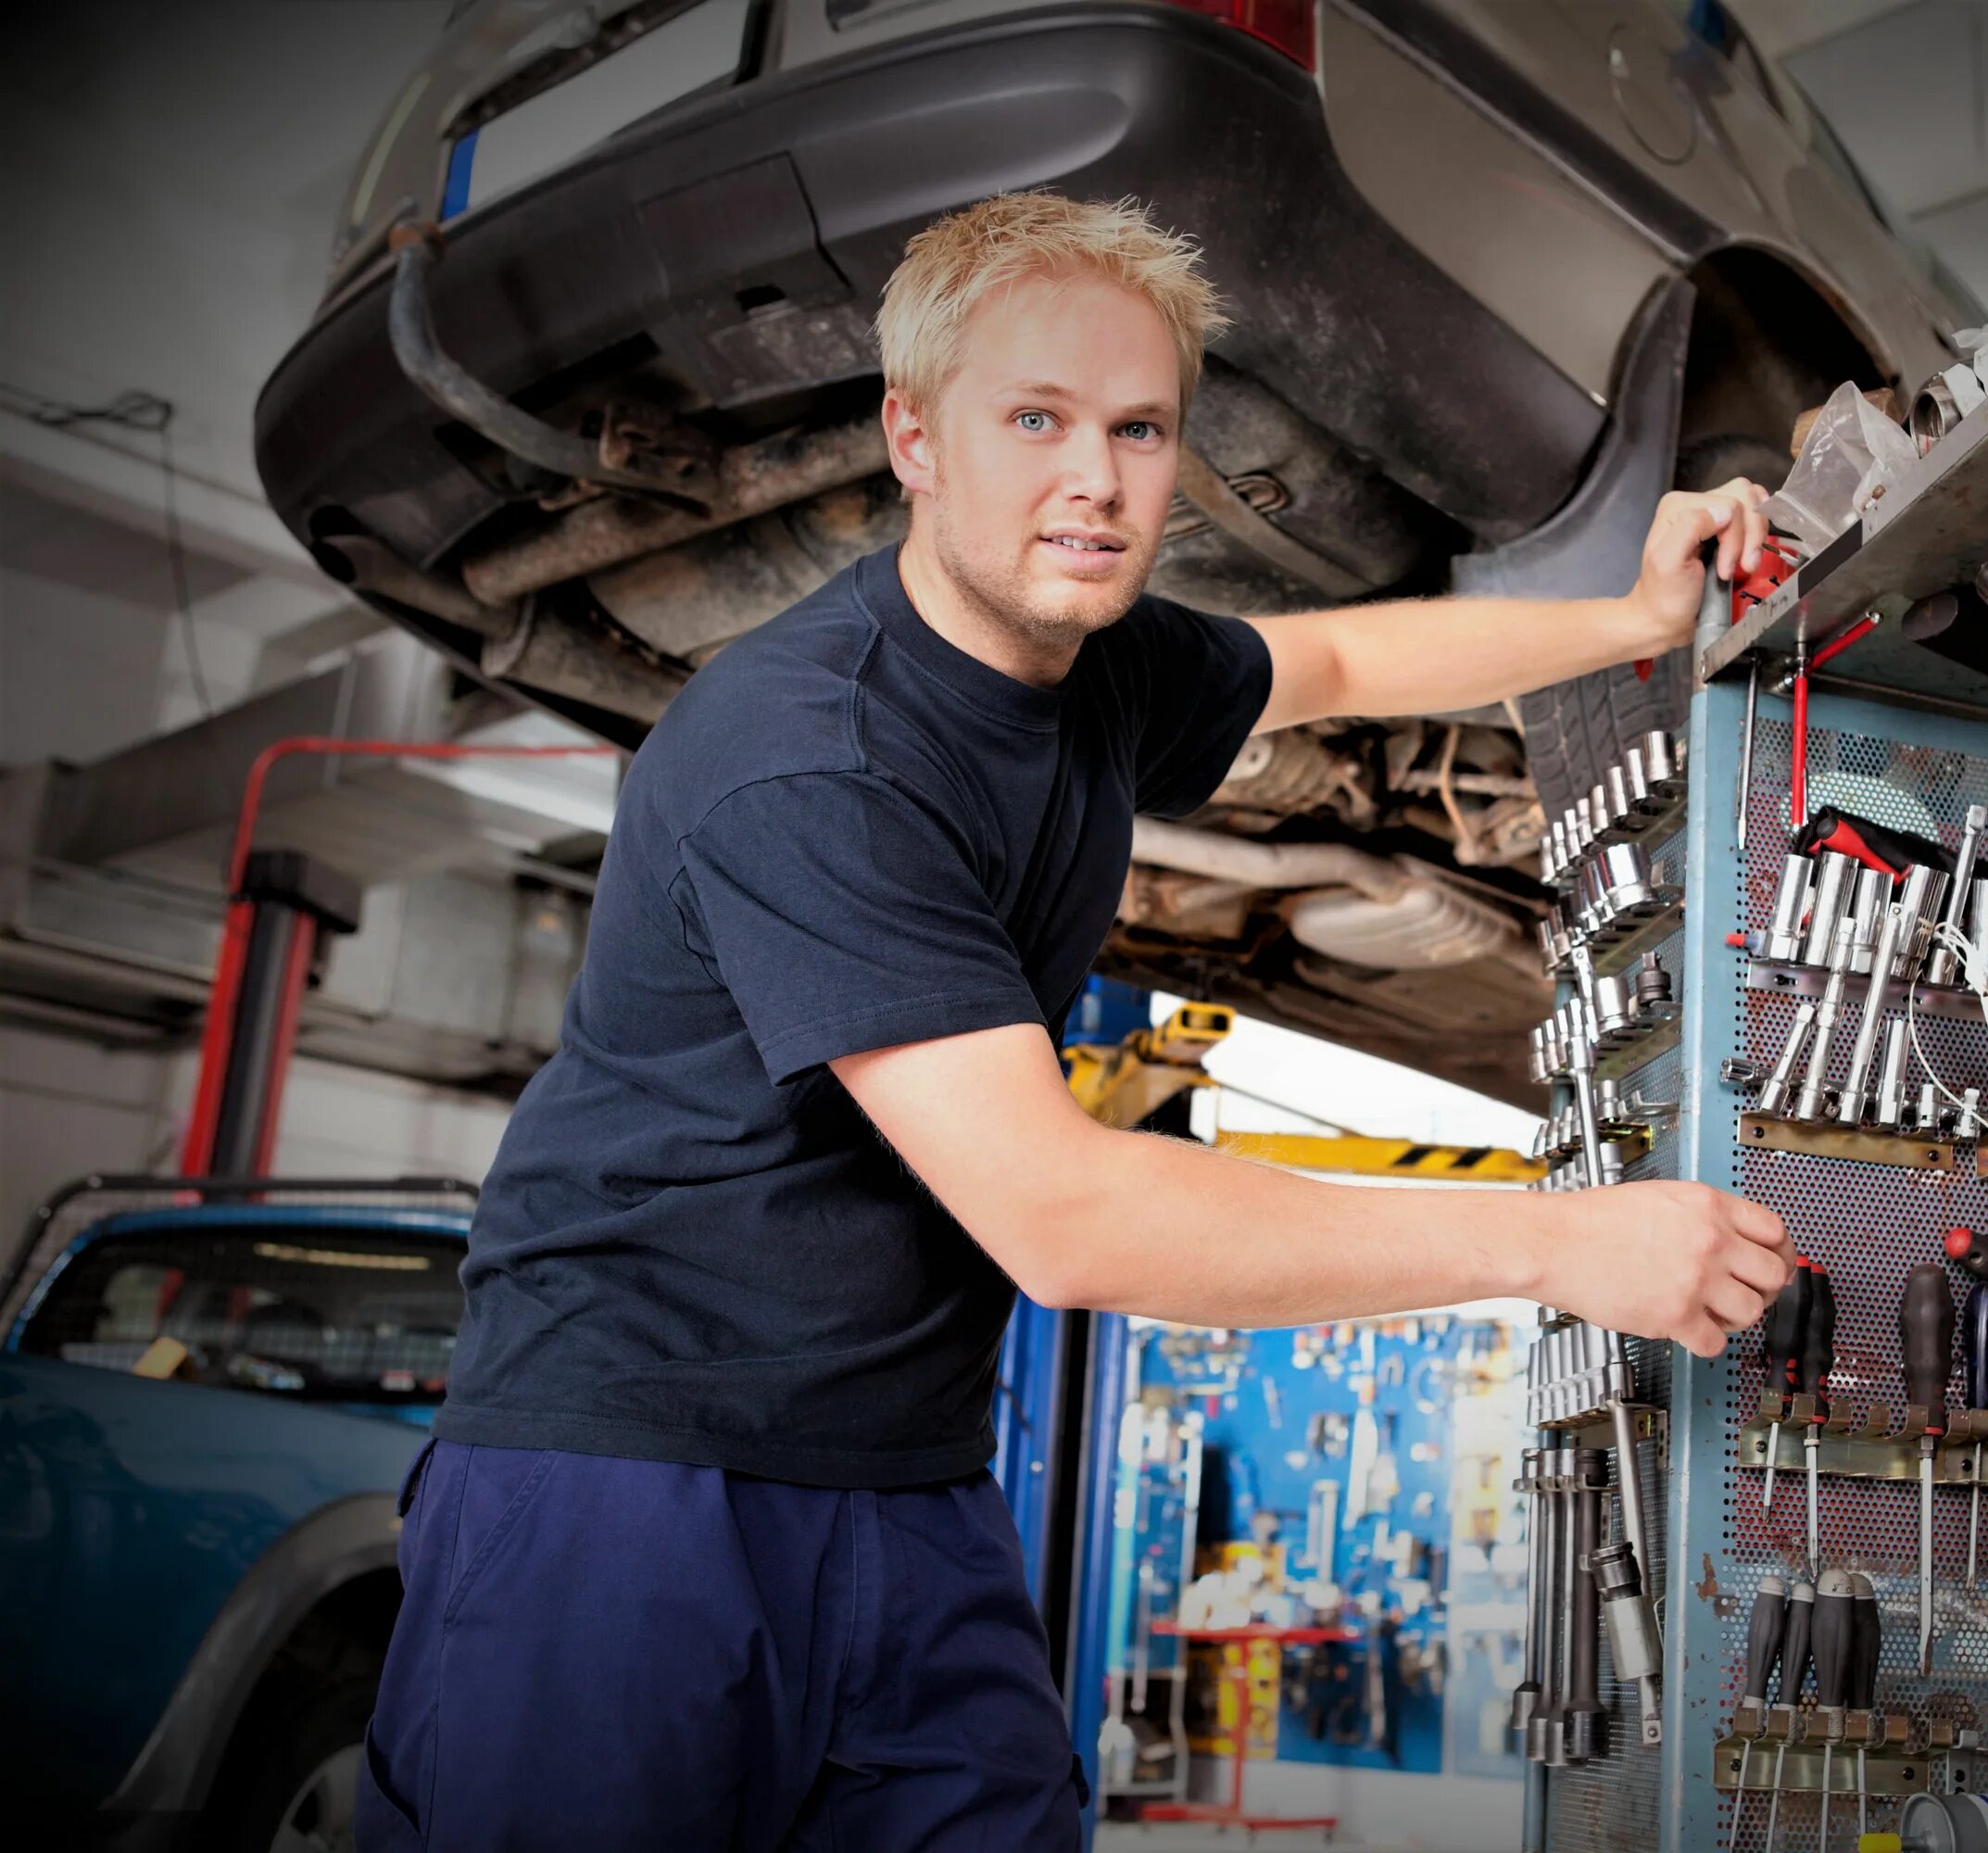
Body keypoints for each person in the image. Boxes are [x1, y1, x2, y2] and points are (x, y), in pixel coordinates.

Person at [359, 191, 1791, 1851]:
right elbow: (1066, 1218)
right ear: (915, 436)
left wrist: (1626, 623)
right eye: (1034, 420)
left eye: (1140, 428)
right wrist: (1556, 1246)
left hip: (903, 1481)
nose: (1095, 482)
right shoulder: (811, 753)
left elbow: (1327, 660)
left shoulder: (1099, 670)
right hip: (629, 1485)